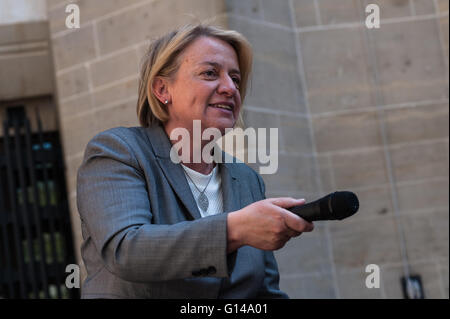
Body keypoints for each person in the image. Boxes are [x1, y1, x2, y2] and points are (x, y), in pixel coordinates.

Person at [76, 23, 314, 299]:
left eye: (236, 79)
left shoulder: (247, 180)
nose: (229, 88)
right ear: (162, 89)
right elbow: (126, 250)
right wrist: (236, 229)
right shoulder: (118, 152)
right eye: (210, 73)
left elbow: (264, 293)